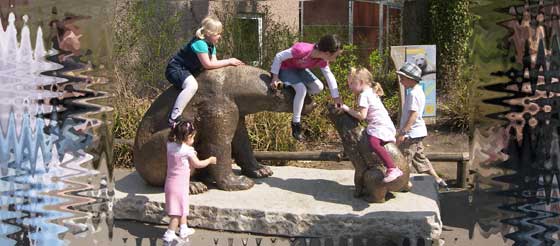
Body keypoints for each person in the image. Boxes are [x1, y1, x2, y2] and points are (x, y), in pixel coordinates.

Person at [166, 16, 244, 127]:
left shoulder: (211, 46)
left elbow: (214, 64)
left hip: (187, 70)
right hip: (176, 68)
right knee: (192, 86)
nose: (220, 36)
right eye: (217, 33)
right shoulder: (200, 44)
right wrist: (229, 61)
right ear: (208, 33)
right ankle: (173, 117)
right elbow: (208, 65)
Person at [269, 34, 343, 141]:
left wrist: (336, 97)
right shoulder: (301, 50)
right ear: (327, 53)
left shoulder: (322, 59)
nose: (335, 59)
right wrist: (274, 77)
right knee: (301, 89)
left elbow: (329, 75)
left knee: (319, 87)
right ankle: (296, 125)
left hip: (299, 70)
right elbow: (279, 56)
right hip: (285, 68)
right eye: (335, 56)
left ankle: (292, 89)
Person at [340, 67, 403, 183]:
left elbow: (361, 115)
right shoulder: (371, 91)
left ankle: (392, 168)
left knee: (374, 143)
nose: (350, 87)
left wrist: (346, 108)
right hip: (384, 123)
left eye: (352, 83)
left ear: (361, 82)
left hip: (380, 125)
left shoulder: (363, 95)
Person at [396, 62, 448, 189]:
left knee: (404, 159)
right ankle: (438, 180)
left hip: (411, 134)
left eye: (402, 78)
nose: (401, 81)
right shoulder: (418, 91)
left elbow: (413, 115)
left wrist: (403, 132)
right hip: (418, 132)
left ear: (410, 79)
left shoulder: (413, 94)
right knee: (420, 159)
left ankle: (402, 184)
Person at [163, 120, 217, 243]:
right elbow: (198, 164)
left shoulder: (170, 145)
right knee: (176, 213)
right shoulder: (187, 150)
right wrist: (209, 160)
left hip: (171, 184)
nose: (193, 139)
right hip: (179, 186)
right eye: (192, 137)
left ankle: (183, 228)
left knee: (181, 207)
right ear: (187, 137)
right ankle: (169, 234)